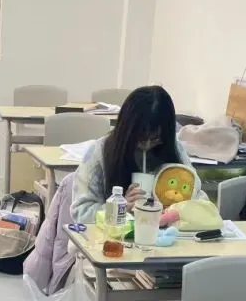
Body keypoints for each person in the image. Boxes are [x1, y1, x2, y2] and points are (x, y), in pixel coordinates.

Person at [70, 85, 205, 224]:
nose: (147, 144)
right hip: (112, 235)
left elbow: (200, 199)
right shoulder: (100, 151)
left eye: (155, 139)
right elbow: (81, 212)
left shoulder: (175, 150)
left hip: (164, 234)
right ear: (126, 129)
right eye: (140, 138)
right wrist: (120, 207)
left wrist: (177, 208)